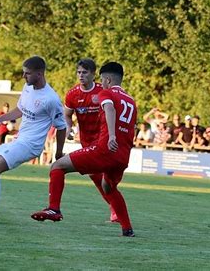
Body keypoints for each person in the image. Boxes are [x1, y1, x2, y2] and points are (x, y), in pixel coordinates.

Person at [31, 61, 136, 237]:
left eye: (102, 80)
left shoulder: (105, 93)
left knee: (57, 166)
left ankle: (54, 209)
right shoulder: (130, 100)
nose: (101, 84)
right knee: (108, 187)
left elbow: (109, 108)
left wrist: (110, 136)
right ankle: (127, 229)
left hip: (104, 148)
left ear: (108, 80)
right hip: (123, 155)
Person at [0, 56, 67, 224]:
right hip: (20, 140)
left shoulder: (51, 99)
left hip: (31, 145)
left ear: (40, 74)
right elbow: (19, 110)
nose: (23, 76)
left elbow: (61, 127)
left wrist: (58, 153)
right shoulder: (28, 88)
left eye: (27, 73)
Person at [62, 58, 119, 223]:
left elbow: (113, 109)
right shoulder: (72, 94)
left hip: (103, 139)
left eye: (85, 72)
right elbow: (67, 114)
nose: (81, 75)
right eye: (79, 72)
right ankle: (114, 207)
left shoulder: (102, 91)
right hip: (86, 141)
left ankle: (116, 209)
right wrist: (68, 127)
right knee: (96, 178)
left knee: (105, 177)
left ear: (93, 74)